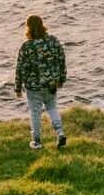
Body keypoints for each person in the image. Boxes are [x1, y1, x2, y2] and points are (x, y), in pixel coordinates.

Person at [13, 14, 67, 149]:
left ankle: (36, 141)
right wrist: (61, 78)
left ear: (28, 28)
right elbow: (61, 60)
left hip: (34, 86)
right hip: (51, 83)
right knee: (52, 108)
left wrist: (18, 88)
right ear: (42, 25)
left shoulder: (26, 46)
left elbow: (20, 68)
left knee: (35, 112)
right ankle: (60, 133)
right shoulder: (53, 41)